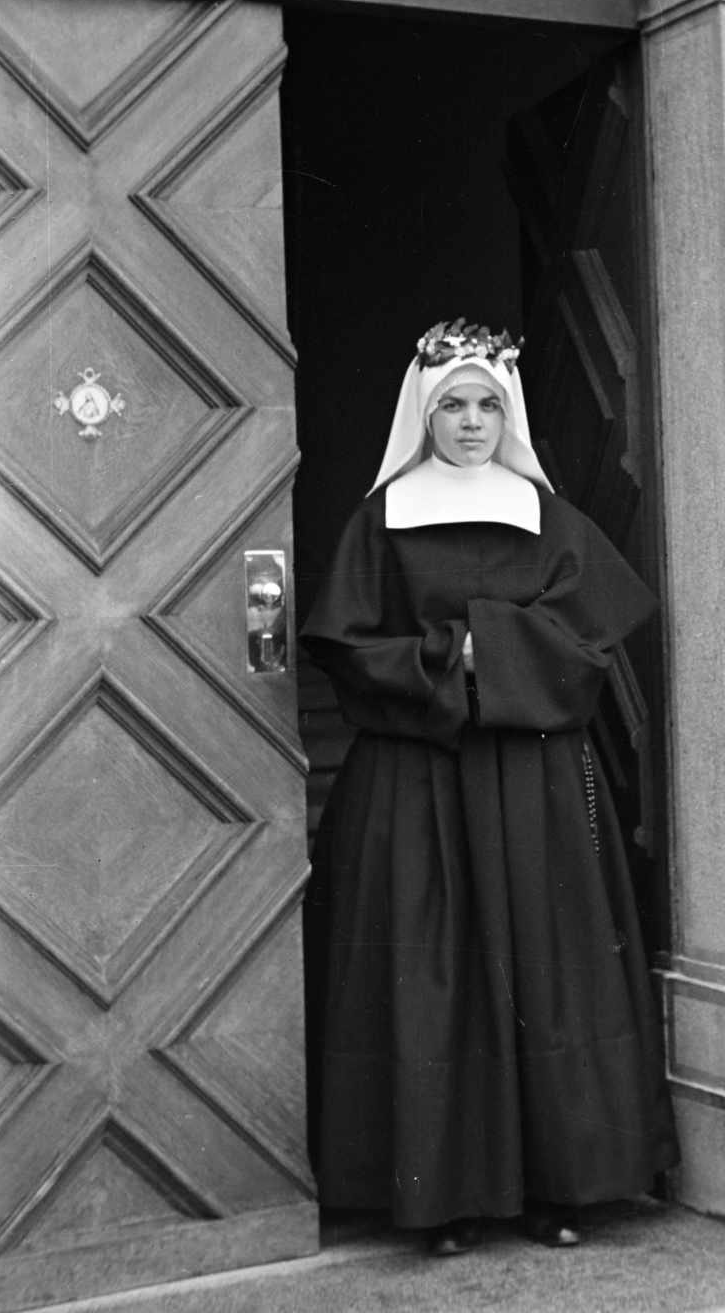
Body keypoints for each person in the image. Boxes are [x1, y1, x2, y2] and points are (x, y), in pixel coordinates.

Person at [301, 320, 679, 1256]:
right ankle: (439, 1200)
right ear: (423, 416)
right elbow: (345, 646)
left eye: (486, 406)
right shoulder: (380, 521)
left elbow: (593, 630)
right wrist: (452, 658)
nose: (470, 423)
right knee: (428, 976)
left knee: (545, 970)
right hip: (413, 779)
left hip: (532, 780)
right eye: (452, 407)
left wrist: (487, 650)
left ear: (507, 416)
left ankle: (561, 1187)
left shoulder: (547, 518)